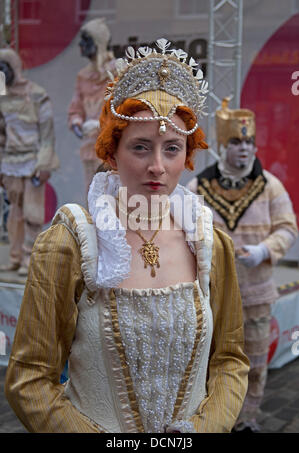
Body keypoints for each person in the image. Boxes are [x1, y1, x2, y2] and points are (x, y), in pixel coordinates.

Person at [5, 40, 249, 433]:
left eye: (172, 148)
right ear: (111, 151)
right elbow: (30, 378)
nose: (158, 166)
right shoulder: (71, 242)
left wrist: (201, 431)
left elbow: (230, 361)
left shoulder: (209, 244)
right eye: (140, 146)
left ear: (186, 155)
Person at [187, 97, 298, 432]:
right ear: (223, 145)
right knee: (211, 361)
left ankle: (247, 419)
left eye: (249, 142)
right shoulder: (198, 188)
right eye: (236, 142)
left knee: (255, 362)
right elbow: (183, 233)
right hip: (212, 294)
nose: (245, 149)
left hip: (256, 292)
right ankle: (214, 418)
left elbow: (288, 227)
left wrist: (265, 250)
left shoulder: (269, 186)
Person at [0, 48, 59, 276]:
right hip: (11, 164)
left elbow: (47, 135)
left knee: (33, 213)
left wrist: (45, 164)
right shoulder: (2, 97)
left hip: (33, 162)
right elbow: (2, 135)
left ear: (14, 67)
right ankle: (15, 257)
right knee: (14, 212)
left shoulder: (37, 94)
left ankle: (29, 258)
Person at [68, 17, 116, 197]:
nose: (80, 44)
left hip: (112, 146)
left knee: (112, 194)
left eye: (86, 40)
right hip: (89, 146)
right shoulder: (83, 76)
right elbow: (76, 107)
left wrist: (100, 124)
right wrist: (77, 123)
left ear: (99, 42)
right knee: (91, 193)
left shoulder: (116, 71)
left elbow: (124, 108)